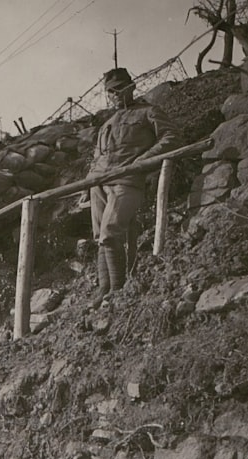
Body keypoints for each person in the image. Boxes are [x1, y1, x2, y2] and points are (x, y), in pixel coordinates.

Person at [87, 67, 180, 307]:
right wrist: (87, 184)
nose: (115, 95)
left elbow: (171, 137)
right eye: (110, 92)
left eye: (119, 89)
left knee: (110, 233)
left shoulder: (149, 113)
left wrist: (143, 161)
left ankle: (117, 289)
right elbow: (98, 156)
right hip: (98, 184)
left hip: (127, 181)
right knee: (100, 237)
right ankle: (104, 288)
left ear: (131, 87)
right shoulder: (107, 122)